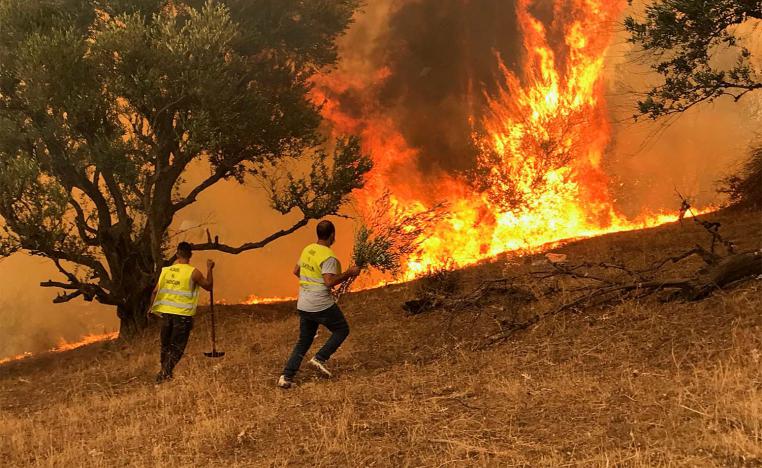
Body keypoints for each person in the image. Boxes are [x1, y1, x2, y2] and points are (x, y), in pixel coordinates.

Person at [278, 220, 360, 388]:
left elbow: (296, 271)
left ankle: (286, 377)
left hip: (304, 303)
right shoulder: (328, 256)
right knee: (342, 329)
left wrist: (309, 283)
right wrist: (350, 273)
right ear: (332, 235)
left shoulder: (308, 249)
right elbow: (329, 282)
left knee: (304, 341)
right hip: (320, 303)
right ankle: (320, 358)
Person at [148, 241, 214, 384]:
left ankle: (165, 373)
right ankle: (164, 374)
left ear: (177, 254)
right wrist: (209, 268)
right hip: (182, 316)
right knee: (177, 347)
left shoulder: (166, 271)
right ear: (190, 255)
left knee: (165, 346)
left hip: (166, 315)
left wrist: (151, 309)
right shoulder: (193, 272)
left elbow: (155, 292)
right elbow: (208, 286)